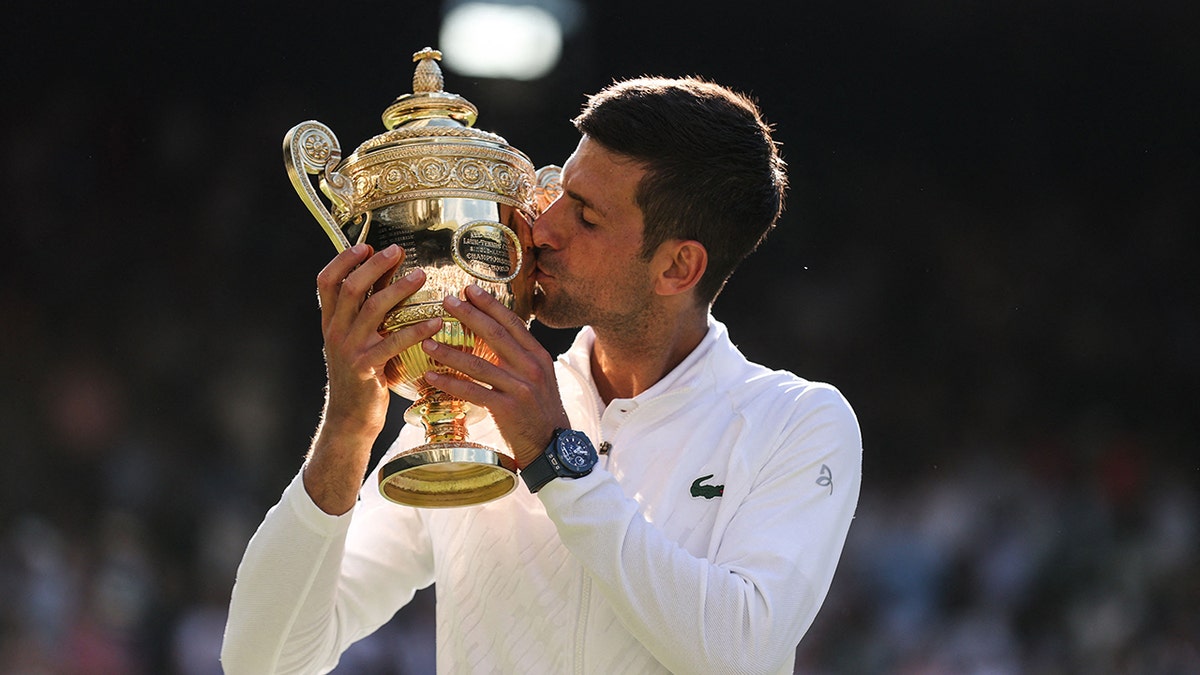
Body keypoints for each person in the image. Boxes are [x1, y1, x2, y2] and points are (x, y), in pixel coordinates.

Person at [222, 76, 862, 674]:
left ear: (677, 268)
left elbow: (738, 649)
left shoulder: (798, 422)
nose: (542, 228)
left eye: (585, 216)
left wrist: (556, 459)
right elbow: (262, 660)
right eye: (557, 194)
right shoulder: (471, 406)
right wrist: (345, 430)